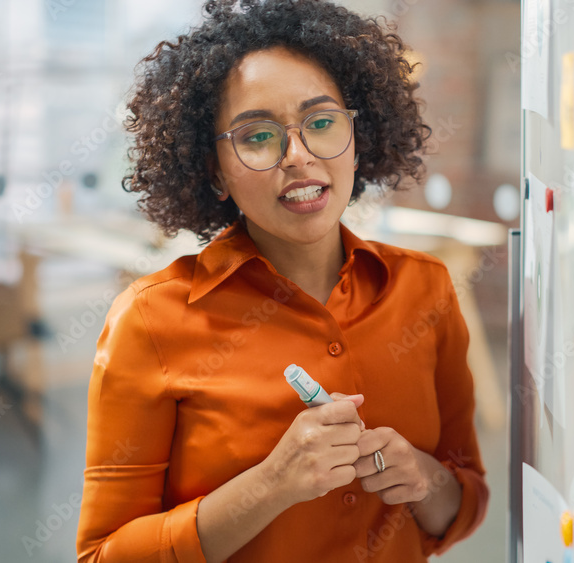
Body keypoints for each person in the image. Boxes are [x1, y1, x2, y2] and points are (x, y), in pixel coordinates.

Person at [76, 1, 488, 561]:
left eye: (321, 123)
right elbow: (104, 555)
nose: (298, 156)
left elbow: (463, 505)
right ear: (215, 170)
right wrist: (271, 485)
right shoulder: (149, 320)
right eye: (258, 136)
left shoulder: (427, 290)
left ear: (356, 137)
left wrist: (423, 477)